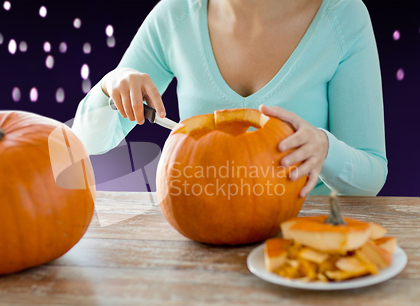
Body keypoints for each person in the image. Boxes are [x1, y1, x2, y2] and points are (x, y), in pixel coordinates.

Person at [71, 0, 387, 197]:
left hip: (303, 239)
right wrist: (110, 86)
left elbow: (371, 175)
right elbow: (88, 144)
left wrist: (324, 149)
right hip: (199, 235)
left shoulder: (344, 16)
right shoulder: (174, 15)